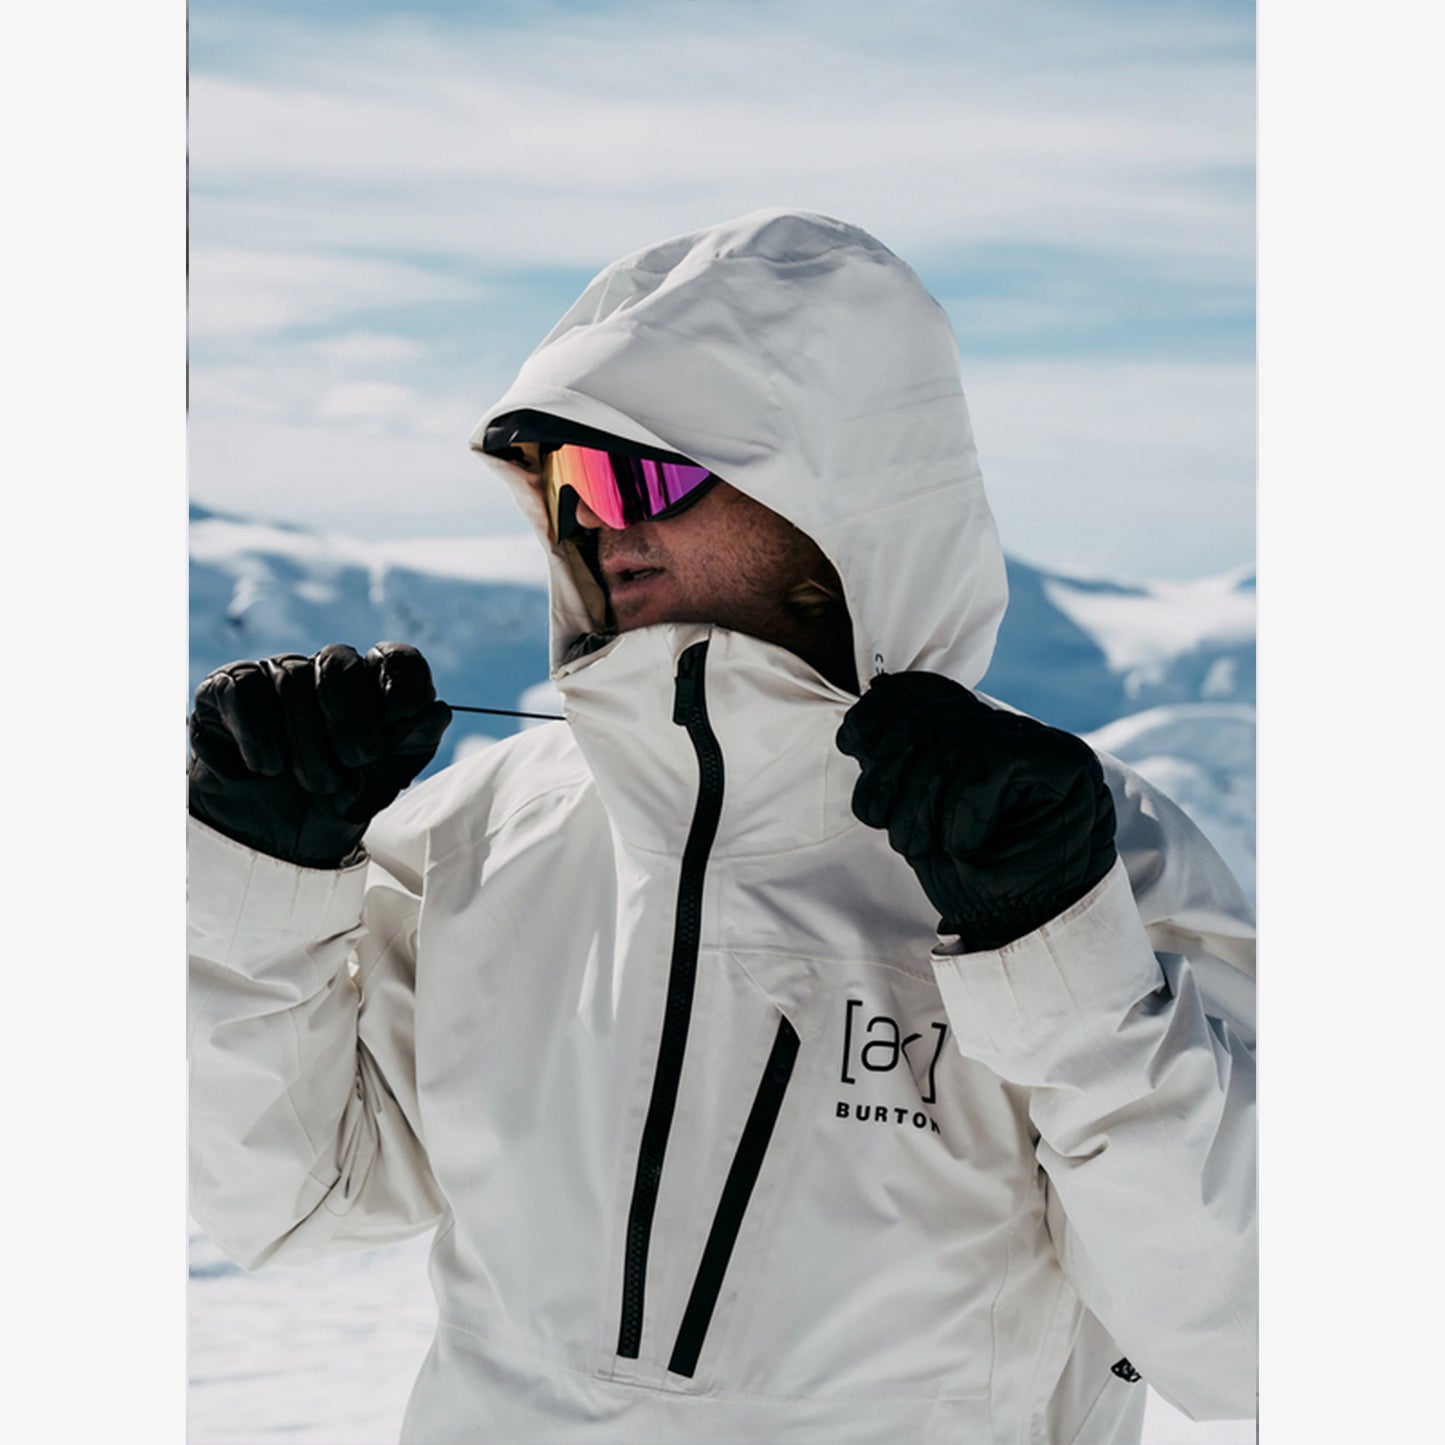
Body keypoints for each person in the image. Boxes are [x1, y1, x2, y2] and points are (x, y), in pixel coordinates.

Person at [188, 210, 1257, 1444]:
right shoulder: (488, 828)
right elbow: (289, 1196)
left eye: (638, 475)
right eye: (565, 487)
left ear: (837, 487)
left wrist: (1065, 965)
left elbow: (1240, 1340)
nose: (595, 524)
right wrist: (259, 888)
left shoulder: (1081, 852)